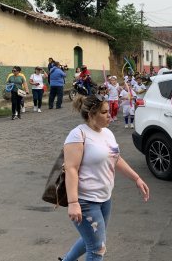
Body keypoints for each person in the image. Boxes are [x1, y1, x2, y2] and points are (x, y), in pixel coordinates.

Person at [59, 94, 149, 261]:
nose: (110, 115)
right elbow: (71, 169)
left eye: (110, 111)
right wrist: (73, 203)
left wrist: (136, 178)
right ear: (91, 115)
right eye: (105, 112)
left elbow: (116, 158)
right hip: (85, 201)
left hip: (104, 199)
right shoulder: (78, 135)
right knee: (97, 249)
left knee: (92, 240)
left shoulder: (107, 133)